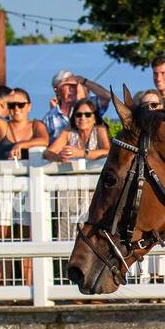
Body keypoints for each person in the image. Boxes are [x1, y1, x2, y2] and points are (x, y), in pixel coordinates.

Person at [0, 89, 49, 285]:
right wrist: (4, 98)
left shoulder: (36, 125)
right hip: (4, 188)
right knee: (5, 238)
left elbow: (44, 140)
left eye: (21, 104)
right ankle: (9, 287)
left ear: (29, 106)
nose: (16, 108)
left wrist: (23, 144)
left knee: (28, 236)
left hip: (29, 189)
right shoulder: (2, 126)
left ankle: (28, 285)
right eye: (12, 105)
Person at [45, 99, 111, 235]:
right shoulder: (69, 132)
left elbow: (108, 151)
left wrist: (82, 153)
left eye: (87, 114)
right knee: (66, 230)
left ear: (94, 117)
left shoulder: (99, 130)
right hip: (70, 192)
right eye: (78, 114)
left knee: (93, 229)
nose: (82, 118)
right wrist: (59, 157)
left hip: (94, 190)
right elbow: (47, 152)